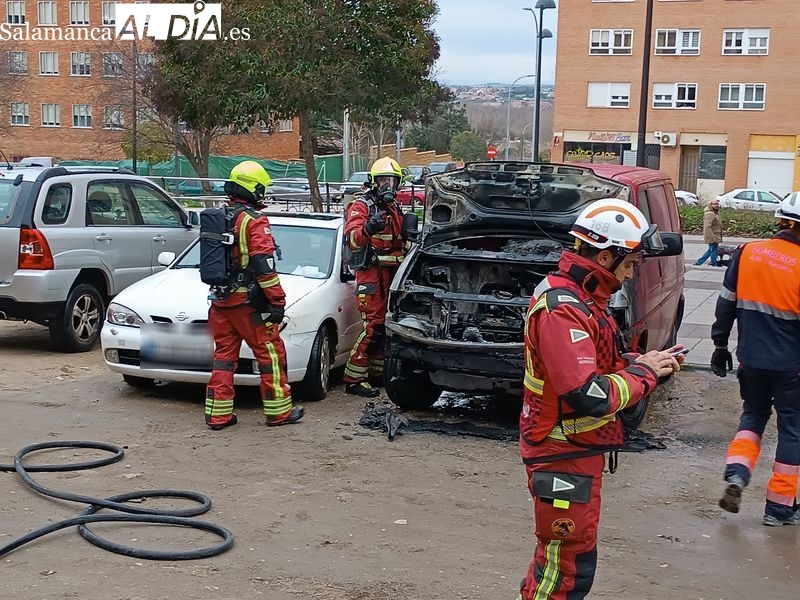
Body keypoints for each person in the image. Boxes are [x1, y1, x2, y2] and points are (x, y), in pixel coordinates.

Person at [518, 198, 683, 599]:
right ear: (606, 255)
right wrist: (643, 374)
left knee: (561, 563)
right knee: (565, 570)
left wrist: (639, 363)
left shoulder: (582, 299)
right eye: (628, 264)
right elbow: (587, 393)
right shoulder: (564, 309)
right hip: (562, 452)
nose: (629, 275)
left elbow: (595, 366)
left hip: (575, 451)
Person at [712, 192, 800, 526]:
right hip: (791, 367)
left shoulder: (747, 252)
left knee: (753, 417)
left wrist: (720, 346)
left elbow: (725, 304)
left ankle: (737, 474)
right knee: (793, 430)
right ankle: (779, 508)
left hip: (751, 360)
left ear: (782, 220)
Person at [204, 160, 304, 430]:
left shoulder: (220, 216)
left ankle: (218, 415)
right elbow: (264, 266)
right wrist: (277, 301)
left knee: (224, 357)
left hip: (220, 301)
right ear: (254, 189)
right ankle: (279, 412)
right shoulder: (254, 221)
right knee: (271, 354)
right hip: (249, 304)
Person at [343, 157, 408, 397]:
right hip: (371, 275)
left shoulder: (394, 208)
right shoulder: (362, 206)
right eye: (382, 181)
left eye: (391, 181)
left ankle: (376, 373)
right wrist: (368, 228)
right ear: (373, 182)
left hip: (391, 277)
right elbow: (352, 241)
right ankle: (353, 378)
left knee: (385, 327)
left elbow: (399, 245)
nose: (387, 186)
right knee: (373, 327)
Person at [695, 198, 722, 267]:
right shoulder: (710, 214)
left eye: (717, 204)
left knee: (711, 250)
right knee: (713, 250)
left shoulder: (715, 212)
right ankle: (714, 264)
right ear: (711, 205)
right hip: (712, 235)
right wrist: (711, 237)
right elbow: (707, 226)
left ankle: (699, 262)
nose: (716, 205)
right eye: (714, 204)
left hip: (716, 235)